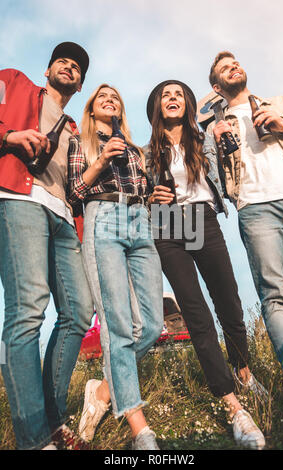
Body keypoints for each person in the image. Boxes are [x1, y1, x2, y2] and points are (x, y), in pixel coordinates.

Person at [143, 79, 266, 450]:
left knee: (228, 300)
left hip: (201, 218)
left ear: (188, 104)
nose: (172, 98)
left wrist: (222, 121)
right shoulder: (147, 151)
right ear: (157, 107)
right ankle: (232, 405)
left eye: (178, 93)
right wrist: (150, 197)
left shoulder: (205, 139)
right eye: (166, 95)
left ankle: (243, 372)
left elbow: (231, 153)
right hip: (166, 225)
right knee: (196, 313)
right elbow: (138, 196)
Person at [0, 42, 94, 450]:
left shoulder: (74, 127)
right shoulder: (12, 82)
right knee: (28, 310)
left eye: (76, 67)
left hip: (64, 219)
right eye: (63, 61)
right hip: (20, 202)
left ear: (79, 82)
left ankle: (52, 418)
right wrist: (9, 136)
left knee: (78, 312)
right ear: (48, 70)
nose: (69, 67)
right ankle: (35, 440)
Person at [67, 84, 164, 450]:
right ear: (92, 110)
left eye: (116, 97)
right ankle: (141, 429)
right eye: (101, 98)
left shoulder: (137, 151)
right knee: (116, 323)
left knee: (152, 325)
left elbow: (148, 191)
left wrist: (155, 197)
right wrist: (102, 159)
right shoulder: (81, 143)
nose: (110, 100)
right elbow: (74, 192)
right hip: (102, 217)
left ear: (121, 110)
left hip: (139, 219)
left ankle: (103, 391)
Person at [208, 51, 283, 404]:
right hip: (255, 208)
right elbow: (210, 182)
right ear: (217, 85)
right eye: (224, 69)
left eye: (236, 63)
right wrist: (215, 145)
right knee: (275, 298)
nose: (234, 67)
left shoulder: (280, 103)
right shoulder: (216, 124)